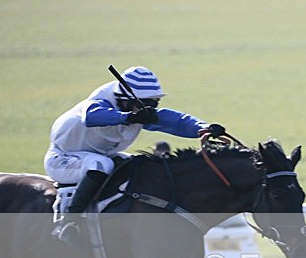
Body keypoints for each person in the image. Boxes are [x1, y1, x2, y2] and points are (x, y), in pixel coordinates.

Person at [44, 66, 225, 244]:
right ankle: (68, 222)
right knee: (101, 165)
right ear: (124, 100)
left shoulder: (133, 107)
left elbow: (174, 120)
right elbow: (92, 117)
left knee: (137, 164)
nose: (149, 108)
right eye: (145, 103)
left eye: (154, 103)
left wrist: (203, 128)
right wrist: (128, 117)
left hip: (100, 155)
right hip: (62, 159)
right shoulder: (97, 104)